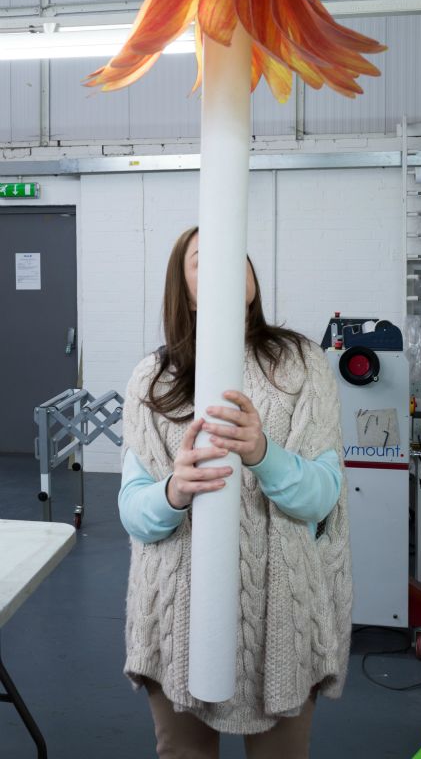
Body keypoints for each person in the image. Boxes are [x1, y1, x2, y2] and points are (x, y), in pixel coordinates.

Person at [118, 225, 352, 759]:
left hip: (282, 623)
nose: (224, 264)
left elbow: (322, 498)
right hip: (177, 621)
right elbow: (136, 514)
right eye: (203, 258)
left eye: (235, 253)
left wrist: (263, 454)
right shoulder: (152, 380)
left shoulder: (301, 364)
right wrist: (175, 490)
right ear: (183, 285)